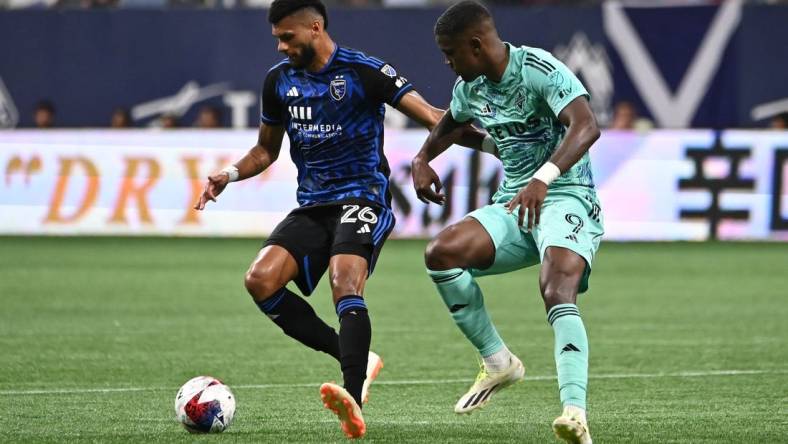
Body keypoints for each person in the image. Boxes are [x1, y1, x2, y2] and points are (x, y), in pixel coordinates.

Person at [194, 0, 484, 439]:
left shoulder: (363, 72)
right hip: (314, 205)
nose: (280, 47)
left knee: (344, 279)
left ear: (315, 27)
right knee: (260, 280)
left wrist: (496, 145)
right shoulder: (278, 82)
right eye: (276, 38)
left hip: (364, 196)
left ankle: (351, 397)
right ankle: (358, 358)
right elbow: (265, 151)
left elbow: (434, 118)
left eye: (287, 37)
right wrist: (229, 175)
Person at [410, 2, 603, 443]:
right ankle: (498, 362)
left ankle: (575, 413)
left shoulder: (539, 69)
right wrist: (422, 158)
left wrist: (542, 178)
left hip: (567, 195)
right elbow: (453, 125)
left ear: (476, 45)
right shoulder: (470, 86)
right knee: (441, 254)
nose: (447, 61)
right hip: (515, 204)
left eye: (450, 52)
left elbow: (587, 126)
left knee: (556, 289)